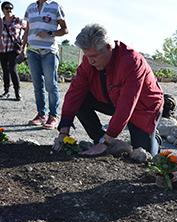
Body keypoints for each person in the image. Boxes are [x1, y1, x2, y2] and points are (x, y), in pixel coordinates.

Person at [52, 23, 164, 156]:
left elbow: (127, 104)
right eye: (87, 56)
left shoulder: (132, 63)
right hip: (111, 98)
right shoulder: (89, 61)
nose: (90, 61)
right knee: (80, 99)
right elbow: (74, 93)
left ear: (108, 47)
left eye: (93, 56)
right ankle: (99, 139)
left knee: (144, 152)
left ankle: (154, 137)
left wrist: (106, 142)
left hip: (142, 107)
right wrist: (63, 133)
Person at [23, 0, 69, 129]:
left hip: (49, 52)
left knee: (51, 85)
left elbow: (65, 29)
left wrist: (50, 33)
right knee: (37, 86)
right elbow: (27, 30)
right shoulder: (30, 7)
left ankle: (53, 116)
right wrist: (23, 49)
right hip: (32, 52)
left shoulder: (55, 6)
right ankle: (41, 115)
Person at [0, 1, 26, 101]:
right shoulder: (0, 22)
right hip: (2, 49)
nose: (9, 10)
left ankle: (17, 92)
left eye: (10, 8)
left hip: (13, 49)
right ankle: (6, 91)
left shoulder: (18, 20)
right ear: (3, 10)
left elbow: (27, 30)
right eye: (6, 8)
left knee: (12, 69)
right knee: (5, 70)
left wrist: (24, 40)